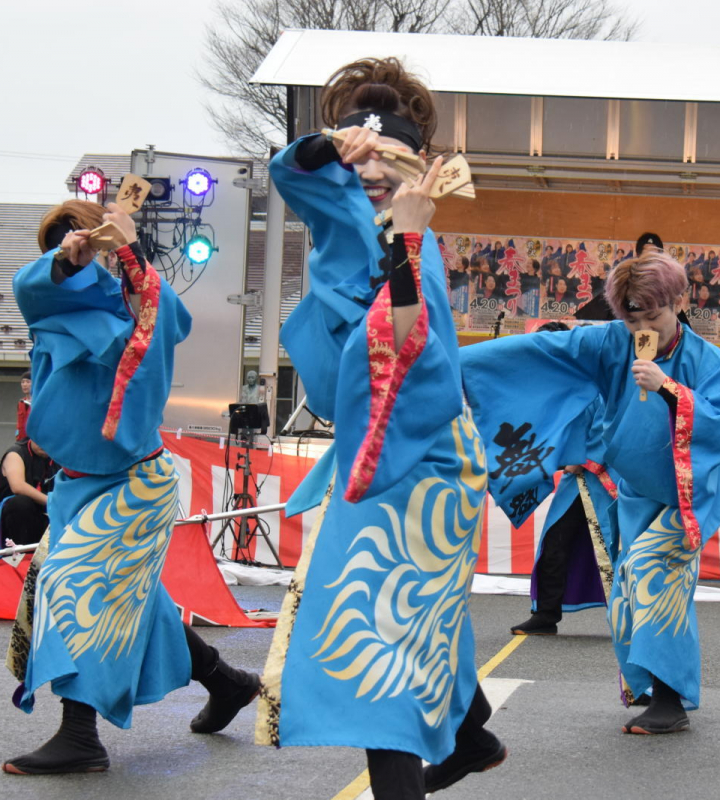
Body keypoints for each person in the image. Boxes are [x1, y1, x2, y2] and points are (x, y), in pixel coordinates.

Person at [258, 56, 505, 799]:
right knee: (410, 618)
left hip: (418, 462)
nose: (371, 176)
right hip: (377, 450)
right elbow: (291, 174)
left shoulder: (417, 251)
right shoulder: (342, 227)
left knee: (377, 640)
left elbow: (405, 349)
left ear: (419, 170)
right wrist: (326, 146)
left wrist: (407, 239)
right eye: (360, 163)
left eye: (388, 162)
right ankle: (472, 734)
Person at [1, 199, 259, 775]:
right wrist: (66, 260)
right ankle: (228, 682)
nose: (71, 243)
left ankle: (80, 735)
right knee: (140, 603)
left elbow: (163, 324)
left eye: (80, 233)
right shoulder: (46, 301)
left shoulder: (134, 305)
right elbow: (30, 287)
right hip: (75, 488)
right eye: (58, 239)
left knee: (72, 586)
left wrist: (128, 249)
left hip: (134, 484)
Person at [461, 249, 720, 735]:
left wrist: (669, 388)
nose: (643, 327)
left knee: (650, 574)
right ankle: (651, 690)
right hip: (636, 492)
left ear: (679, 303)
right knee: (625, 593)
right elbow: (544, 352)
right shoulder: (613, 343)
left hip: (690, 493)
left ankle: (670, 701)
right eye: (632, 318)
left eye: (654, 316)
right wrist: (450, 363)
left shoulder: (706, 360)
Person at [509, 323, 618, 637]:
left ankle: (630, 617)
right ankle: (545, 614)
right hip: (576, 482)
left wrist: (582, 458)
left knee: (613, 547)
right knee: (555, 543)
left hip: (604, 481)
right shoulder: (559, 384)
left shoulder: (601, 381)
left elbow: (610, 426)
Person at [0, 438, 57, 555]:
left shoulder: (59, 457)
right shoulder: (15, 453)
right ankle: (20, 556)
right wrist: (52, 501)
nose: (44, 443)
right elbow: (18, 486)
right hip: (15, 516)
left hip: (47, 513)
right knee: (21, 503)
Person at [15, 370, 32, 442]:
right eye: (22, 382)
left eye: (28, 382)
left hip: (33, 441)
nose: (25, 385)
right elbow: (19, 423)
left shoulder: (38, 402)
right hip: (21, 440)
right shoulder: (21, 402)